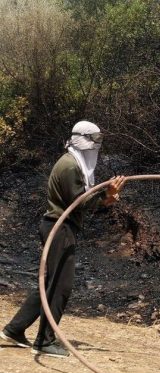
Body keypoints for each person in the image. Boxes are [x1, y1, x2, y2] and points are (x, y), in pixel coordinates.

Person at [0, 121, 125, 358]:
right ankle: (45, 341)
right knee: (60, 286)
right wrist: (105, 194)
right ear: (82, 139)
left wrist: (105, 199)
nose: (97, 146)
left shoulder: (75, 164)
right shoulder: (69, 166)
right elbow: (79, 203)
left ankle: (15, 330)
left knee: (50, 283)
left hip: (61, 227)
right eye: (94, 140)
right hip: (60, 228)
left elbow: (80, 203)